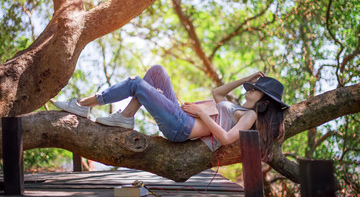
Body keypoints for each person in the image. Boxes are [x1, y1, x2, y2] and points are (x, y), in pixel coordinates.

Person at [54, 65, 289, 161]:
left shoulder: (251, 117)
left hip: (182, 126)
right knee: (156, 72)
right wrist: (245, 79)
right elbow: (217, 92)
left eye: (254, 90)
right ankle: (126, 117)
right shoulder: (238, 108)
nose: (249, 91)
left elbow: (226, 138)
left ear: (265, 102)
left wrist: (201, 113)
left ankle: (84, 105)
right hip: (181, 116)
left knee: (137, 83)